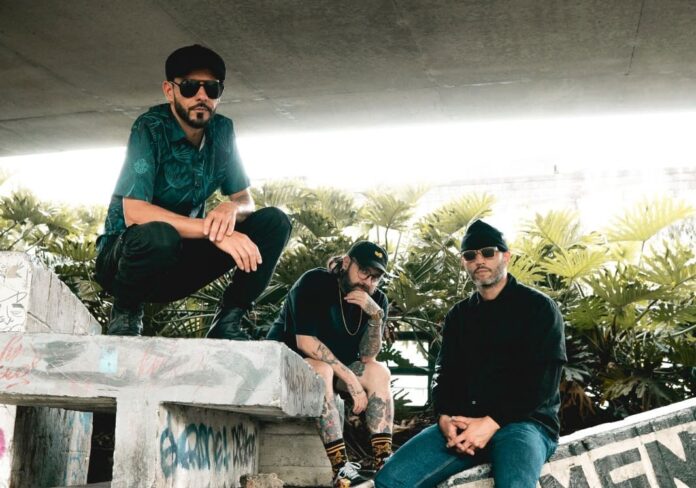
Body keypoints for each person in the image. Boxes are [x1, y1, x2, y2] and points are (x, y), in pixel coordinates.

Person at [94, 44, 291, 338]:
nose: (202, 96)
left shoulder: (222, 131)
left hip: (179, 266)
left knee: (275, 221)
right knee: (159, 234)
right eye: (189, 87)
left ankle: (228, 321)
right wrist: (215, 233)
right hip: (125, 263)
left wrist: (231, 208)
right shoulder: (150, 127)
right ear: (169, 90)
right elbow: (134, 212)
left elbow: (244, 200)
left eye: (211, 88)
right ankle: (126, 314)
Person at [375, 220, 566, 488]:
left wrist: (491, 423)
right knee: (390, 480)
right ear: (464, 262)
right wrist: (444, 417)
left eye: (488, 252)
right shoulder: (459, 315)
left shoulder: (539, 308)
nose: (479, 260)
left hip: (524, 423)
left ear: (506, 256)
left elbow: (543, 381)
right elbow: (445, 373)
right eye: (470, 255)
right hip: (464, 423)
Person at [267, 241, 393, 487]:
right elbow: (305, 342)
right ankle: (341, 470)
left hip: (332, 371)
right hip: (287, 365)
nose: (368, 281)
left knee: (379, 372)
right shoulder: (316, 282)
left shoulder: (377, 300)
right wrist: (350, 379)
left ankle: (384, 462)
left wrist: (376, 318)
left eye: (375, 277)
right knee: (321, 368)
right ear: (346, 263)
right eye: (364, 271)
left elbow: (368, 357)